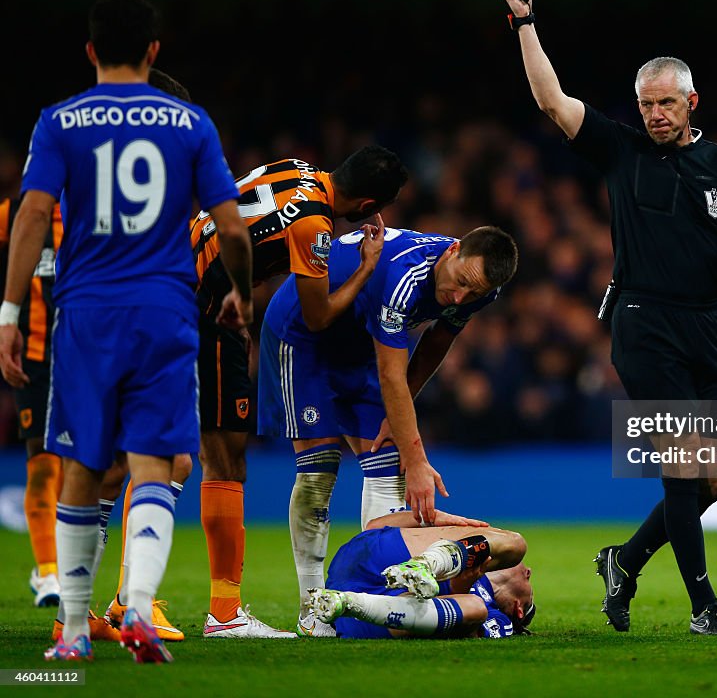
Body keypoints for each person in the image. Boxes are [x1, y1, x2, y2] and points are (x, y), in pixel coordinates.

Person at [502, 0, 717, 636]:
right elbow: (551, 100)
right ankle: (705, 607)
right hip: (643, 320)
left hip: (706, 324)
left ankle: (625, 558)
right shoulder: (621, 150)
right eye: (646, 104)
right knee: (685, 463)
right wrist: (524, 24)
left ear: (691, 101)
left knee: (716, 479)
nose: (654, 115)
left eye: (666, 104)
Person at [0, 0, 253, 663]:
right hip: (165, 312)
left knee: (82, 464)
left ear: (90, 51)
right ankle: (137, 608)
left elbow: (30, 216)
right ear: (153, 51)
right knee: (157, 464)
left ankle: (75, 633)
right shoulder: (190, 123)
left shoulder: (60, 122)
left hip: (82, 313)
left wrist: (6, 312)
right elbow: (230, 226)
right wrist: (241, 295)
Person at [258, 225, 518, 636]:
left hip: (358, 347)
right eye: (461, 283)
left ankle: (374, 597)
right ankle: (311, 608)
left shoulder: (480, 289)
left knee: (385, 463)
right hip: (303, 339)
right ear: (453, 250)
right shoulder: (405, 275)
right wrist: (417, 461)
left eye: (474, 293)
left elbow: (437, 340)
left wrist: (396, 416)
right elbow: (389, 374)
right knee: (319, 469)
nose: (459, 298)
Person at [189, 146, 404, 639]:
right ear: (369, 202)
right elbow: (318, 317)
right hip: (203, 311)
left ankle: (129, 602)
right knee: (220, 462)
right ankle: (224, 616)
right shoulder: (314, 226)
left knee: (168, 453)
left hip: (175, 279)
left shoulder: (297, 167)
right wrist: (368, 266)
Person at [309, 509, 534, 639]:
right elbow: (374, 526)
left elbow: (469, 628)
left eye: (529, 580)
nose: (529, 571)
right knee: (515, 543)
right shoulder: (472, 548)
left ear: (519, 608)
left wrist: (460, 588)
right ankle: (425, 564)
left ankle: (348, 602)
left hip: (381, 612)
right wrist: (431, 518)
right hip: (377, 557)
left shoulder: (498, 616)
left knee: (475, 608)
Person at [0, 196, 63, 609]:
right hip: (35, 358)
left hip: (88, 353)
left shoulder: (97, 204)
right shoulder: (14, 212)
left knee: (91, 465)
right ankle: (48, 571)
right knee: (41, 459)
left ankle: (69, 565)